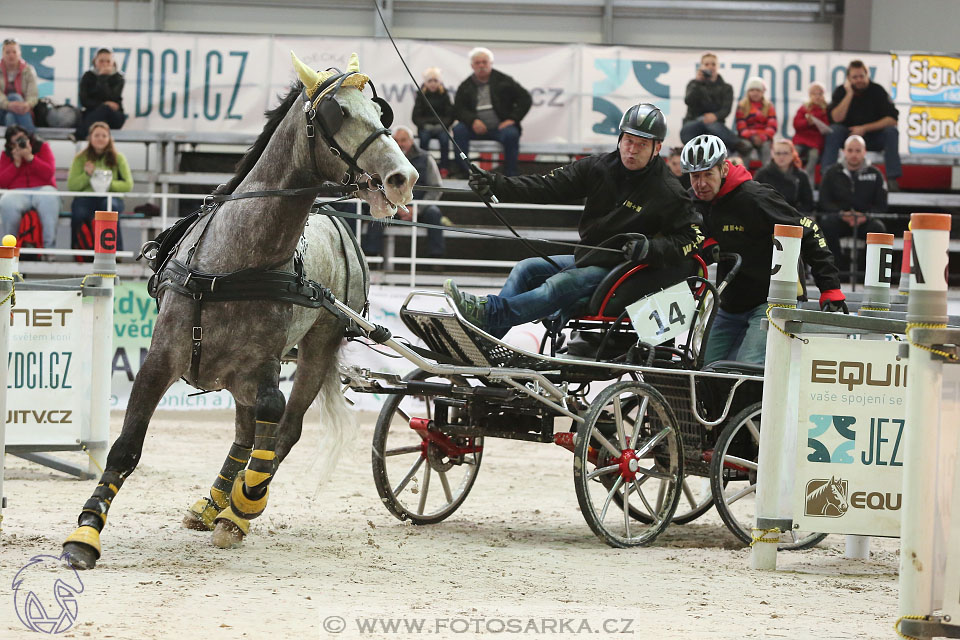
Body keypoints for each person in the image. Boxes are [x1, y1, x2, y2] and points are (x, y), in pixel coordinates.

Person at [444, 103, 703, 340]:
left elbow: (693, 238)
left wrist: (650, 248)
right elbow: (545, 186)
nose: (632, 150)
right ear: (620, 138)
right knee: (526, 269)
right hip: (589, 257)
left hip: (623, 273)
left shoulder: (668, 190)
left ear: (657, 148)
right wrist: (495, 184)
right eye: (628, 141)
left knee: (559, 284)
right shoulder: (598, 167)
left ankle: (487, 313)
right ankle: (485, 342)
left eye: (642, 144)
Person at [682, 134, 844, 365]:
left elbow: (809, 231)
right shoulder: (694, 201)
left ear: (724, 169)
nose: (701, 184)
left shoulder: (756, 198)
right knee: (704, 367)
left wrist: (830, 288)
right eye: (695, 176)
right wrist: (705, 243)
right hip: (731, 303)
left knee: (746, 367)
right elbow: (690, 231)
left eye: (708, 174)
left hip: (772, 300)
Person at [361, 126, 446, 264]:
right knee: (377, 214)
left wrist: (417, 209)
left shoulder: (426, 158)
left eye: (404, 140)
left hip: (419, 206)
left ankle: (436, 259)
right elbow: (375, 185)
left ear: (412, 141)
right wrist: (394, 206)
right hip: (389, 204)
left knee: (434, 213)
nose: (400, 143)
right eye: (396, 140)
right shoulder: (382, 160)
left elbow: (436, 188)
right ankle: (371, 258)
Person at [451, 47, 531, 178]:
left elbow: (525, 99)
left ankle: (511, 174)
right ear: (472, 65)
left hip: (500, 129)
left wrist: (512, 119)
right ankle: (463, 172)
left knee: (512, 134)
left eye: (484, 62)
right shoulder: (465, 86)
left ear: (491, 64)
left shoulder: (504, 80)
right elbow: (459, 109)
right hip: (475, 129)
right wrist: (473, 121)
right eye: (477, 63)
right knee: (459, 130)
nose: (481, 65)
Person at [821, 60, 901, 189]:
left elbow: (892, 119)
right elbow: (835, 118)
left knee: (891, 132)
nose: (859, 80)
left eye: (861, 76)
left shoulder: (878, 91)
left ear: (867, 75)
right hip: (847, 137)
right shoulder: (841, 91)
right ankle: (827, 175)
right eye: (855, 77)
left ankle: (892, 178)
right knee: (833, 130)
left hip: (872, 137)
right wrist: (849, 94)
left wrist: (864, 128)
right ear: (848, 79)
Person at [818, 134, 887, 276]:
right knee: (825, 226)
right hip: (840, 218)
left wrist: (865, 216)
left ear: (864, 152)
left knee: (878, 228)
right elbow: (823, 201)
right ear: (843, 151)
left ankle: (866, 273)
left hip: (865, 220)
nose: (854, 154)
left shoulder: (876, 174)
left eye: (858, 150)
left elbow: (882, 205)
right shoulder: (831, 173)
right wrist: (841, 214)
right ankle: (836, 271)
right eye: (850, 150)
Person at [67, 121, 133, 257]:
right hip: (87, 197)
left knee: (109, 209)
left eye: (104, 135)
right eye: (97, 135)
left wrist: (108, 183)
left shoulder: (118, 158)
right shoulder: (80, 158)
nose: (100, 139)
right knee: (79, 212)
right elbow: (72, 185)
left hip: (110, 197)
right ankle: (80, 252)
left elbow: (128, 185)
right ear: (90, 137)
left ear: (109, 138)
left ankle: (115, 253)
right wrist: (87, 175)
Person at [0, 125, 59, 249]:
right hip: (17, 192)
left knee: (49, 198)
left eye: (22, 138)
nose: (20, 143)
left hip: (43, 188)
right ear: (11, 145)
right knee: (7, 202)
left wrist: (30, 158)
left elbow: (49, 173)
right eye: (16, 141)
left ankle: (49, 250)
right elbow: (2, 182)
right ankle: (8, 250)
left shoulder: (42, 147)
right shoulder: (6, 155)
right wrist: (16, 164)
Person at [679, 52, 739, 152]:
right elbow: (689, 101)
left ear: (718, 66)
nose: (710, 67)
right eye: (707, 64)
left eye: (713, 64)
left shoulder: (726, 88)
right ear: (701, 67)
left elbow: (726, 110)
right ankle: (737, 143)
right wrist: (698, 83)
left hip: (715, 126)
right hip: (693, 123)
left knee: (712, 127)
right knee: (704, 125)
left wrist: (715, 116)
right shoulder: (693, 84)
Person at [76, 47, 126, 140]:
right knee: (101, 109)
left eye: (108, 61)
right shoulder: (88, 76)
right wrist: (103, 104)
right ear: (95, 62)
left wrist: (103, 78)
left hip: (113, 117)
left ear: (113, 62)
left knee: (106, 109)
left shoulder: (119, 78)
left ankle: (78, 135)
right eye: (101, 61)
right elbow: (84, 101)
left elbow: (112, 97)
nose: (105, 64)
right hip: (93, 116)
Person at [412, 67, 455, 174]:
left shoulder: (445, 95)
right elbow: (415, 116)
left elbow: (450, 115)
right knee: (424, 139)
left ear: (440, 82)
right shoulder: (421, 95)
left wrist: (442, 125)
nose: (433, 83)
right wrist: (424, 125)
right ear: (425, 82)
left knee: (445, 139)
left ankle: (444, 167)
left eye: (435, 80)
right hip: (425, 127)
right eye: (430, 81)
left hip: (441, 127)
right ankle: (424, 165)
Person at [754, 139, 813, 213]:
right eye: (778, 153)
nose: (781, 157)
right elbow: (755, 199)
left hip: (793, 216)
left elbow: (808, 203)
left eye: (785, 153)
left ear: (792, 154)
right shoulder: (762, 174)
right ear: (772, 154)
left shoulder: (801, 176)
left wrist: (794, 214)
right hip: (768, 215)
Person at [792, 82, 830, 184]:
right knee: (794, 153)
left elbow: (826, 126)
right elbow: (796, 124)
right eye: (814, 94)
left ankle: (806, 176)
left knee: (813, 156)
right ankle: (792, 174)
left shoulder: (825, 110)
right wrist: (807, 122)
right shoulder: (804, 108)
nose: (817, 97)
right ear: (810, 95)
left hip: (815, 142)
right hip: (801, 139)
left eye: (820, 94)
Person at [734, 77, 777, 162]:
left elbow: (772, 126)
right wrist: (752, 137)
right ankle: (742, 173)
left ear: (762, 92)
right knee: (745, 146)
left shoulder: (769, 106)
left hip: (764, 138)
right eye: (752, 90)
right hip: (747, 138)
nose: (755, 93)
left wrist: (762, 137)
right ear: (748, 92)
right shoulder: (742, 106)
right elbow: (741, 127)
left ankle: (767, 174)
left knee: (766, 147)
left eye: (758, 90)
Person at [0, 38, 38, 133]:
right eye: (7, 52)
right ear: (3, 54)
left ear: (19, 53)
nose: (11, 55)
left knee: (10, 117)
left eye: (14, 52)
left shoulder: (28, 70)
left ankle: (13, 145)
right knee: (14, 96)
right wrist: (8, 105)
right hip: (1, 109)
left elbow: (33, 95)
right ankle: (31, 137)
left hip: (22, 110)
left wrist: (27, 104)